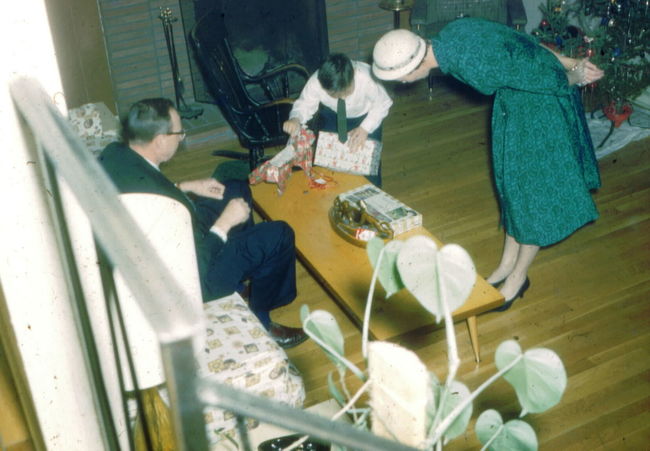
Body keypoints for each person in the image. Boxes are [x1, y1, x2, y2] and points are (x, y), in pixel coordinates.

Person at [372, 20, 604, 310]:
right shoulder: (451, 35)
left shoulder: (472, 65)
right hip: (516, 106)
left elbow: (542, 77)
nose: (402, 84)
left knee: (531, 197)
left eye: (400, 79)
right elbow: (516, 40)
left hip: (539, 108)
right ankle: (507, 264)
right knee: (512, 188)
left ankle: (518, 278)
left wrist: (574, 74)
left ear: (409, 73)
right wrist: (569, 60)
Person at [99, 98, 308, 348]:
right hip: (191, 282)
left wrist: (184, 187)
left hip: (167, 243)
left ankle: (239, 281)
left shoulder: (115, 153)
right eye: (179, 132)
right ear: (159, 140)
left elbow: (146, 185)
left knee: (235, 188)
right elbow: (196, 265)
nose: (181, 138)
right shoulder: (165, 208)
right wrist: (224, 223)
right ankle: (262, 319)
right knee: (279, 234)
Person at [283, 53, 393, 186]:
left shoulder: (366, 77)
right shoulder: (317, 81)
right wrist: (296, 118)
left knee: (368, 164)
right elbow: (305, 104)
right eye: (334, 94)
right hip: (333, 115)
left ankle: (373, 194)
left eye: (346, 92)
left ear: (353, 77)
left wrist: (365, 128)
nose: (342, 97)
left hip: (366, 117)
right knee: (329, 161)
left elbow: (383, 103)